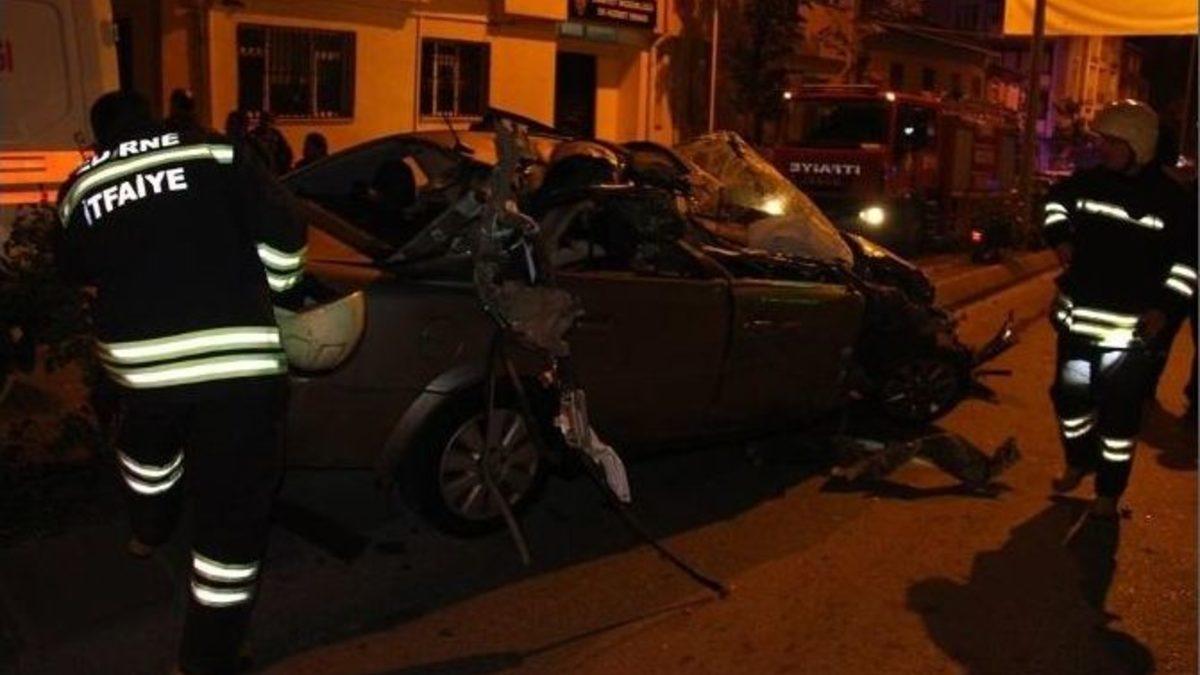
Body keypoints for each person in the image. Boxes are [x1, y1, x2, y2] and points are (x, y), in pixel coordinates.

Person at [56, 90, 307, 673]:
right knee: (231, 525)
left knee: (148, 456)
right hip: (236, 368)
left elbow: (74, 270)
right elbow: (285, 228)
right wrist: (283, 292)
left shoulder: (81, 187)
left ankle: (149, 527)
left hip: (142, 371)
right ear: (153, 119)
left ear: (100, 137)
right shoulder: (216, 153)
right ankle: (205, 659)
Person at [1042, 100, 1197, 518]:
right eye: (1103, 140)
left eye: (1113, 142)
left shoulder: (1173, 202)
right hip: (1077, 326)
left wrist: (1164, 309)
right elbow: (1054, 204)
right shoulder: (1088, 183)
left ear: (1138, 144)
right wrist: (1059, 236)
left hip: (1128, 338)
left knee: (1118, 416)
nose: (1103, 148)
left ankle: (1107, 495)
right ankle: (1079, 461)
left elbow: (1187, 265)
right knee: (1070, 398)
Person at [251, 110, 294, 175]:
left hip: (274, 169)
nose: (266, 124)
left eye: (269, 121)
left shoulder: (276, 135)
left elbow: (287, 152)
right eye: (264, 121)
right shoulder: (253, 136)